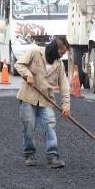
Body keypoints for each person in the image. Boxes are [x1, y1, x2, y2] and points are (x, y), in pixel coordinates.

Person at [14, 36, 71, 168]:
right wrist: (27, 74)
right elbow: (19, 64)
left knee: (49, 126)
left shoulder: (59, 64)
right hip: (28, 97)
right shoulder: (34, 52)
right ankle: (29, 154)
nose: (62, 56)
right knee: (28, 126)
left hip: (46, 100)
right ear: (54, 49)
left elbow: (64, 85)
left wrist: (66, 105)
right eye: (61, 53)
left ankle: (53, 156)